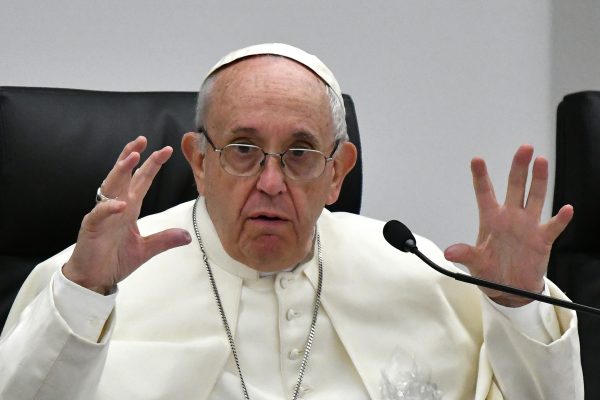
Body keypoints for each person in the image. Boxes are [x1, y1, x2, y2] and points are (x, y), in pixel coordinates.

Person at [0, 43, 583, 399]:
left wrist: (518, 304)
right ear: (199, 162)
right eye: (243, 150)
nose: (271, 182)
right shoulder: (99, 274)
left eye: (300, 153)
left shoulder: (416, 271)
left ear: (337, 172)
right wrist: (85, 295)